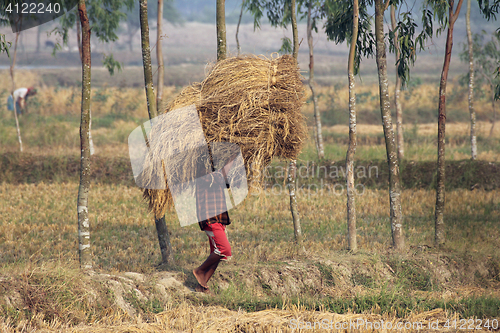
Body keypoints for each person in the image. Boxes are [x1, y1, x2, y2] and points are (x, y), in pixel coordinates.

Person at [192, 153, 237, 295]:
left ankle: (202, 286)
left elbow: (226, 181)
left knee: (219, 254)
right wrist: (232, 157)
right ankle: (199, 271)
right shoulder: (202, 172)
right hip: (210, 218)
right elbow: (221, 176)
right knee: (224, 250)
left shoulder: (214, 173)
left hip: (218, 217)